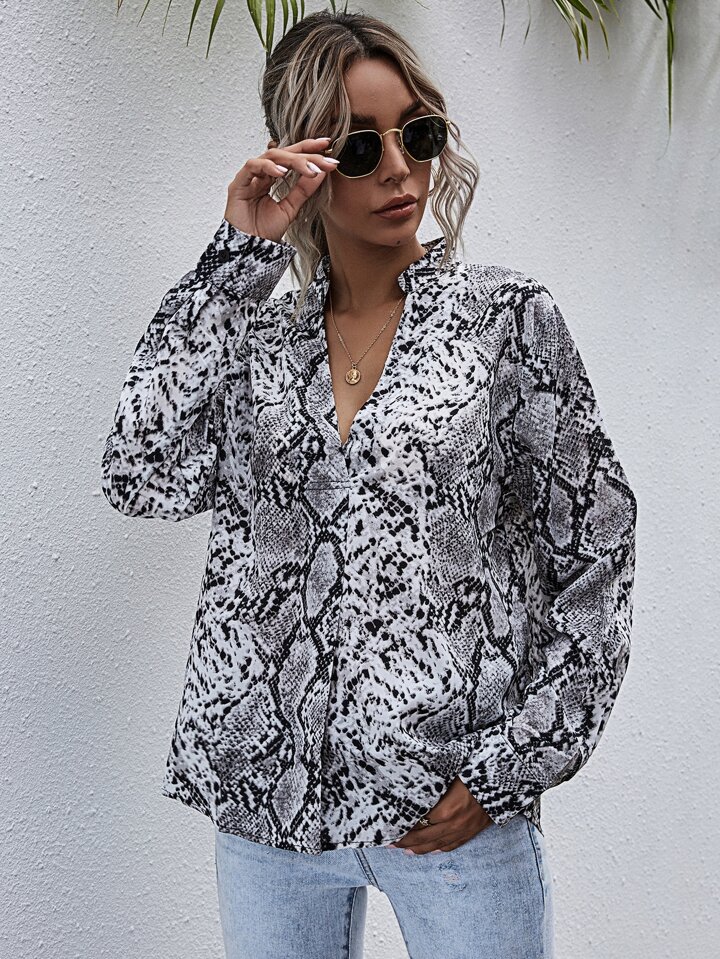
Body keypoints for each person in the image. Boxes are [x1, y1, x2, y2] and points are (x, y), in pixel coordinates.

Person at [101, 10, 638, 959]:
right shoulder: (257, 342)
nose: (398, 169)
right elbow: (140, 470)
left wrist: (510, 766)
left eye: (416, 135)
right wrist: (238, 258)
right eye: (359, 147)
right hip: (268, 805)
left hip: (450, 810)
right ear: (303, 165)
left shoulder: (506, 320)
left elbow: (597, 546)